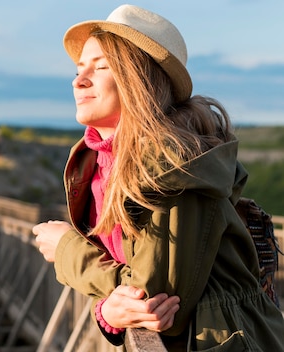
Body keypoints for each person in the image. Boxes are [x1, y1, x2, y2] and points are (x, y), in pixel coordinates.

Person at [32, 4, 284, 351]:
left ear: (140, 81)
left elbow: (157, 302)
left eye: (101, 67)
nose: (79, 80)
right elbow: (133, 283)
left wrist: (66, 250)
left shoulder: (172, 162)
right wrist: (110, 310)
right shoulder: (103, 161)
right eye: (79, 69)